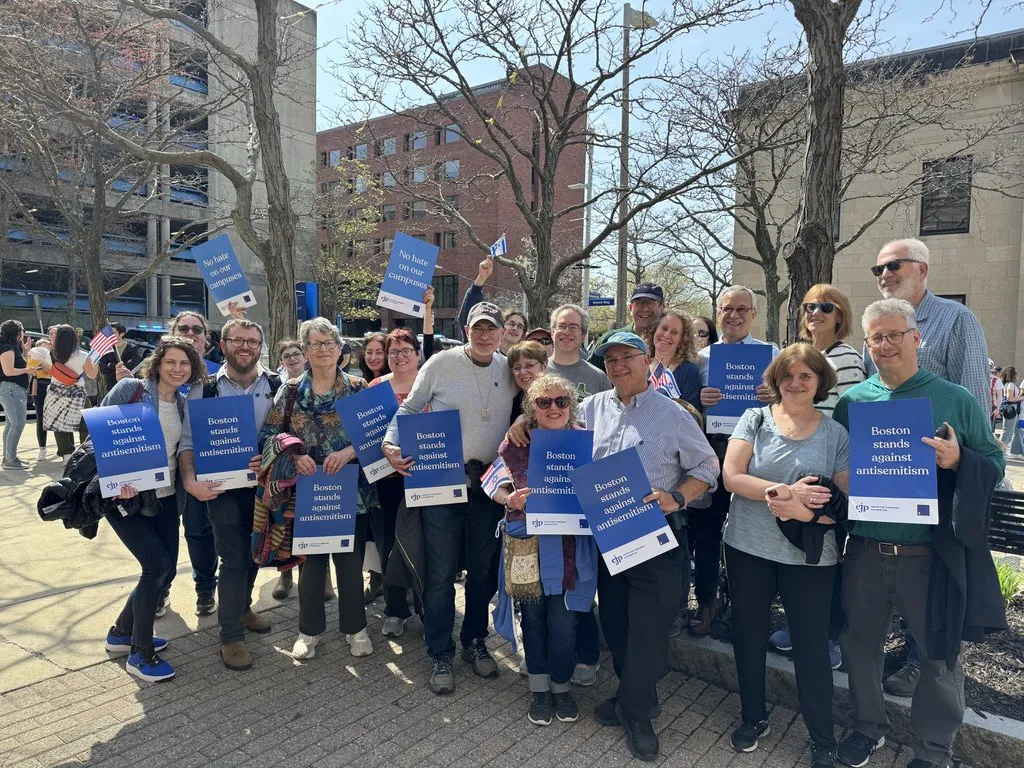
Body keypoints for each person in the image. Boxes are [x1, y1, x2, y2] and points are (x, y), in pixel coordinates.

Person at [832, 298, 1005, 768]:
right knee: (859, 648)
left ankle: (933, 751)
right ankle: (869, 729)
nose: (885, 345)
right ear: (866, 345)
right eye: (876, 338)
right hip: (865, 549)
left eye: (894, 335)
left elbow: (994, 460)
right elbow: (840, 468)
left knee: (938, 657)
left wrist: (957, 460)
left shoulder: (954, 399)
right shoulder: (853, 402)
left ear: (916, 338)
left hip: (928, 554)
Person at [584, 332, 718, 760]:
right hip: (609, 534)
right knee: (618, 625)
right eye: (610, 360)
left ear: (646, 362)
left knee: (650, 627)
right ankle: (631, 697)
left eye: (627, 357)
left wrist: (677, 497)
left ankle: (637, 712)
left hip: (658, 536)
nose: (618, 366)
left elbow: (707, 467)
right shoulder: (590, 409)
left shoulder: (673, 413)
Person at [866, 238, 991, 698]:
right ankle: (911, 644)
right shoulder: (879, 325)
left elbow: (973, 398)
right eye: (877, 269)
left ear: (921, 268)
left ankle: (927, 661)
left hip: (940, 471)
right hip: (890, 468)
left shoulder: (957, 319)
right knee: (900, 570)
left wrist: (958, 459)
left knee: (937, 573)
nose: (883, 275)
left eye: (893, 266)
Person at [722, 345, 849, 767]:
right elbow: (732, 476)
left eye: (806, 376)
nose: (796, 383)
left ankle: (822, 738)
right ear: (776, 379)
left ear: (820, 382)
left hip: (809, 559)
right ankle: (753, 717)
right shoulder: (755, 419)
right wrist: (785, 494)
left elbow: (845, 505)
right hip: (748, 548)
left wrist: (806, 513)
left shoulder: (835, 435)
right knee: (748, 635)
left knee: (812, 648)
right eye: (787, 375)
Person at [382, 301, 518, 694]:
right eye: (478, 327)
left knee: (480, 573)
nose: (485, 334)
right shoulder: (440, 363)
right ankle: (439, 650)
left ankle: (474, 641)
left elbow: (524, 409)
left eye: (492, 328)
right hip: (442, 482)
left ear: (501, 332)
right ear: (466, 329)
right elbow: (408, 408)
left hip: (489, 486)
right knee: (439, 575)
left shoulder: (507, 367)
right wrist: (391, 444)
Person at [259, 317, 380, 660]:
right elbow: (269, 436)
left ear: (341, 349)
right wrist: (295, 458)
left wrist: (348, 451)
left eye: (329, 343)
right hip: (306, 491)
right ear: (305, 350)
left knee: (349, 563)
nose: (323, 349)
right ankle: (308, 631)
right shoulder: (291, 389)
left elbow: (378, 435)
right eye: (316, 343)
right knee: (310, 565)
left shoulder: (358, 388)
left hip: (350, 491)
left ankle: (355, 629)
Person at [486, 374, 598, 725]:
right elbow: (492, 481)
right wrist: (509, 498)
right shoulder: (516, 444)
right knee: (533, 620)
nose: (553, 408)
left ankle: (561, 687)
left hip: (571, 550)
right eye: (544, 402)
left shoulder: (588, 442)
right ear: (531, 407)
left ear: (572, 405)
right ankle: (538, 688)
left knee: (564, 623)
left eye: (561, 401)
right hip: (528, 545)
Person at [769, 285, 865, 668]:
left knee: (829, 554)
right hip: (795, 465)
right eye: (809, 307)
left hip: (829, 468)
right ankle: (802, 627)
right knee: (803, 554)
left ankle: (829, 637)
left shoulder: (848, 359)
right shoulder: (803, 355)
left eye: (826, 307)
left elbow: (849, 418)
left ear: (840, 315)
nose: (816, 313)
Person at [177, 318, 278, 670]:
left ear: (260, 346)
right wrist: (190, 481)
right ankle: (230, 636)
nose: (245, 347)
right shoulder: (203, 389)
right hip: (220, 489)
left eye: (253, 341)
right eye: (238, 340)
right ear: (223, 345)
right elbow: (187, 443)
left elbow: (288, 435)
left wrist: (270, 451)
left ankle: (242, 607)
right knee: (234, 557)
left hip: (265, 489)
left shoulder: (279, 386)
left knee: (255, 554)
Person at [101, 337, 203, 682]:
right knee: (154, 566)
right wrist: (118, 478)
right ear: (158, 363)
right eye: (171, 362)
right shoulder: (131, 389)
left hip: (166, 497)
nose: (177, 369)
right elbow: (98, 433)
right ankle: (140, 652)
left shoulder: (184, 403)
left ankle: (121, 633)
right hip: (125, 498)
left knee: (166, 570)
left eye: (185, 364)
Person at [694, 286, 780, 636]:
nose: (734, 315)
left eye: (742, 309)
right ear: (718, 312)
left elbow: (787, 403)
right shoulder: (702, 358)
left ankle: (747, 605)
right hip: (713, 450)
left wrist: (773, 396)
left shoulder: (772, 353)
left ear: (754, 314)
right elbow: (688, 408)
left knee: (750, 530)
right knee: (707, 531)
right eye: (727, 309)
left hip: (755, 453)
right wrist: (700, 398)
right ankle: (706, 603)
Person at [41, 324, 98, 462]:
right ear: (74, 338)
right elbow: (92, 375)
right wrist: (95, 362)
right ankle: (85, 453)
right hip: (77, 393)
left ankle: (66, 455)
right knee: (85, 424)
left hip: (55, 392)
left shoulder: (51, 354)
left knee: (60, 424)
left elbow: (47, 371)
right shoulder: (83, 355)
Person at [456, 254, 528, 353]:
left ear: (523, 335)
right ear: (501, 329)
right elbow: (467, 316)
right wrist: (481, 278)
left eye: (520, 327)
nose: (515, 328)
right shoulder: (483, 351)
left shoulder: (522, 363)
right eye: (511, 324)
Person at [588, 283, 665, 371]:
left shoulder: (668, 343)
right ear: (631, 308)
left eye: (651, 303)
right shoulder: (609, 340)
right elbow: (588, 376)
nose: (645, 308)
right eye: (639, 303)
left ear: (662, 307)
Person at [548, 304, 610, 400]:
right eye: (561, 326)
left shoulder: (598, 378)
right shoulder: (536, 371)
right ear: (552, 332)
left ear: (583, 335)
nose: (566, 332)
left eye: (573, 327)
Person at [644, 309, 701, 412]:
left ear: (681, 341)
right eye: (664, 328)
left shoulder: (689, 371)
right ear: (654, 331)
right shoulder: (640, 364)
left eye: (674, 332)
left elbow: (691, 417)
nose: (666, 335)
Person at [0, 319, 34, 470]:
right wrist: (27, 371)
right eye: (22, 330)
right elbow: (9, 371)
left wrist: (25, 350)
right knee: (18, 423)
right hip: (11, 389)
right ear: (17, 332)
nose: (24, 332)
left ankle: (8, 457)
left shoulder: (12, 347)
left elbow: (20, 365)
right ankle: (11, 460)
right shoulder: (7, 348)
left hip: (12, 389)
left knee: (10, 424)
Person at [97, 322, 147, 394]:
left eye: (113, 333)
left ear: (122, 334)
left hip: (129, 386)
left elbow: (133, 366)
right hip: (112, 387)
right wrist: (119, 366)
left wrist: (111, 365)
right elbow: (103, 369)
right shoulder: (106, 349)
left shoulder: (132, 348)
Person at [507, 341, 549, 422]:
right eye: (517, 367)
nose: (522, 372)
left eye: (529, 365)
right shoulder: (514, 401)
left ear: (544, 366)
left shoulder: (555, 398)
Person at [27, 338, 53, 462]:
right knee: (40, 416)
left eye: (46, 345)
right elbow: (32, 367)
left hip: (53, 384)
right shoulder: (33, 354)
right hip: (38, 384)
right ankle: (42, 449)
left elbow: (50, 369)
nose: (43, 348)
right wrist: (42, 363)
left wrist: (42, 363)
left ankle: (65, 449)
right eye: (40, 345)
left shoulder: (54, 354)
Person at [999, 366, 1023, 457]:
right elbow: (1010, 398)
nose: (1018, 375)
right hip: (1011, 410)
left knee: (1008, 431)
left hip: (1011, 410)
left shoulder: (1007, 384)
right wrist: (1022, 397)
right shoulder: (1011, 385)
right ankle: (1001, 452)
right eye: (1016, 373)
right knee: (1008, 432)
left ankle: (1002, 451)